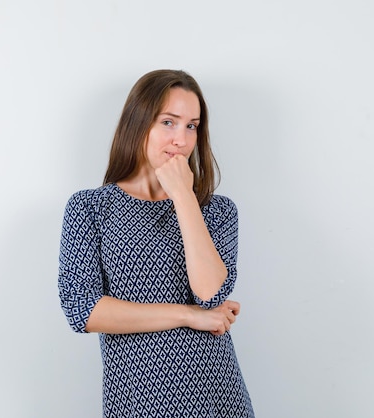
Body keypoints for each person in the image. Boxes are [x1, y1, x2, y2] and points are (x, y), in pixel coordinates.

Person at [58, 69, 254, 417]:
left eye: (191, 126)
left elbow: (209, 293)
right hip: (139, 400)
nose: (181, 138)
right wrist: (188, 315)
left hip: (218, 396)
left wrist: (182, 196)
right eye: (168, 122)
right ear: (138, 122)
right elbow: (83, 310)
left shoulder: (218, 211)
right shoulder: (90, 207)